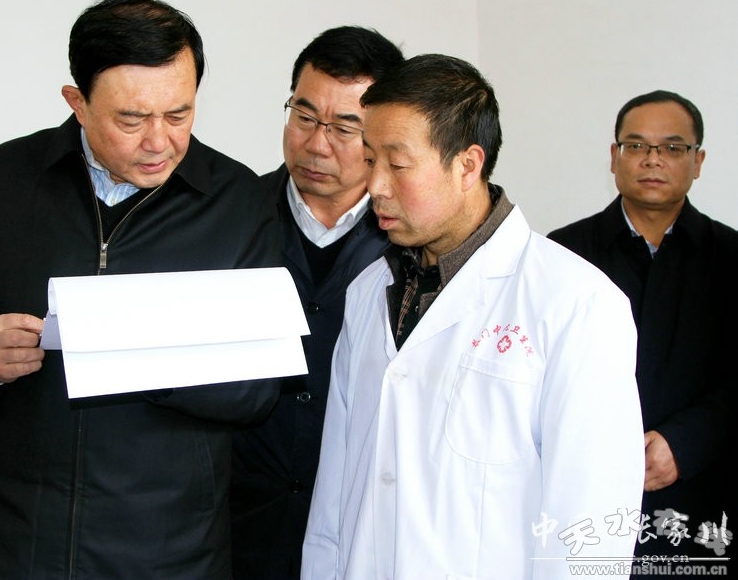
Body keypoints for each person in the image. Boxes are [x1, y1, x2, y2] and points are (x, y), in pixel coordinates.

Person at [0, 0, 280, 580]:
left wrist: (138, 352)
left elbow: (257, 390)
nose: (159, 141)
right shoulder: (3, 179)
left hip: (168, 552)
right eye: (132, 118)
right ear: (77, 102)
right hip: (13, 543)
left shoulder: (237, 202)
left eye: (179, 114)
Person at [301, 54, 645, 579]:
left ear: (467, 165)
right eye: (370, 160)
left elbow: (591, 522)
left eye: (397, 164)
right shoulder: (369, 291)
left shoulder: (575, 303)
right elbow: (335, 490)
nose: (376, 186)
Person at [230, 26, 403, 580]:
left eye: (345, 129)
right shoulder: (229, 218)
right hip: (234, 530)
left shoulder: (408, 244)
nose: (316, 144)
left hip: (361, 531)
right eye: (304, 116)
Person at [548, 90, 737, 573]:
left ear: (698, 161)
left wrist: (684, 443)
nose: (653, 159)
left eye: (672, 147)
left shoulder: (732, 258)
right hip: (584, 497)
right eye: (636, 146)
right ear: (614, 157)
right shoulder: (562, 254)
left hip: (702, 499)